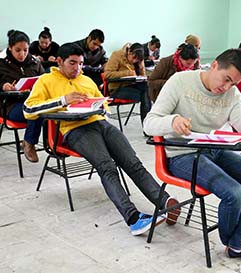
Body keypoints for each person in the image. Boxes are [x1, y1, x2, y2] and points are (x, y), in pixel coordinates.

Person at [23, 42, 180, 235]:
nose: (77, 68)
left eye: (80, 63)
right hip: (76, 130)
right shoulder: (46, 81)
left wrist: (98, 106)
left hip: (101, 124)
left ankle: (164, 202)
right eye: (72, 63)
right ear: (60, 61)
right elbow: (29, 109)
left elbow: (103, 105)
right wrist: (64, 101)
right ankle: (133, 218)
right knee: (107, 167)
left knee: (133, 163)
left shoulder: (86, 80)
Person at [144, 49, 241, 263]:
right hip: (182, 154)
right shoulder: (180, 81)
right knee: (234, 192)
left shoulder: (231, 94)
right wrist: (172, 121)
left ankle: (239, 239)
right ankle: (238, 242)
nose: (225, 88)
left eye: (232, 83)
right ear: (214, 65)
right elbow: (149, 123)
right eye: (225, 79)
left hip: (213, 149)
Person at [0, 30, 44, 162]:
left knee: (47, 109)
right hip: (9, 105)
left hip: (32, 100)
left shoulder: (34, 62)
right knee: (35, 111)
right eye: (18, 50)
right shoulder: (1, 63)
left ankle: (51, 145)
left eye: (25, 50)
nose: (22, 54)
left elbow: (44, 80)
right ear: (10, 48)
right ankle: (29, 143)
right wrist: (4, 85)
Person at [104, 42, 151, 125]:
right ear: (129, 52)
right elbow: (107, 75)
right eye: (133, 58)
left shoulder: (139, 59)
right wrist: (127, 73)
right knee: (145, 95)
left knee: (146, 89)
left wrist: (140, 67)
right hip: (117, 89)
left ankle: (148, 126)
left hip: (132, 86)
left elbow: (142, 76)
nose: (134, 61)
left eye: (137, 60)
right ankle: (148, 126)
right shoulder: (117, 55)